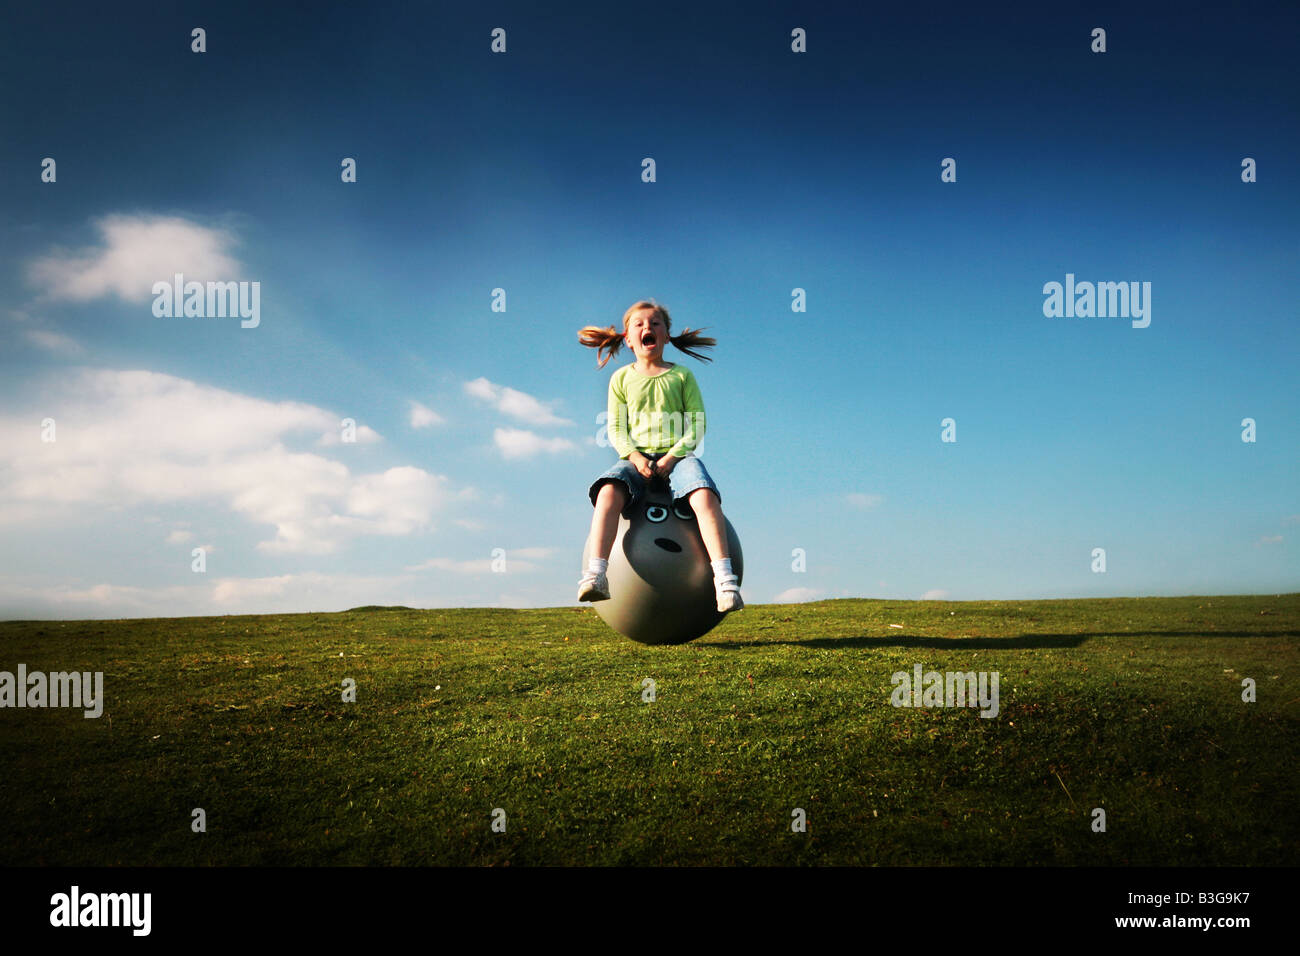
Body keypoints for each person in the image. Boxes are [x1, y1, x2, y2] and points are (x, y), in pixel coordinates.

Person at [576, 299, 743, 613]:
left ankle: (724, 580)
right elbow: (615, 427)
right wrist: (636, 458)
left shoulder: (682, 377)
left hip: (678, 458)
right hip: (634, 459)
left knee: (705, 495)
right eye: (639, 324)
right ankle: (596, 574)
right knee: (607, 492)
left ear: (666, 335)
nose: (647, 328)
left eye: (655, 324)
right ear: (628, 338)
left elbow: (697, 423)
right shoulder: (621, 379)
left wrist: (672, 459)